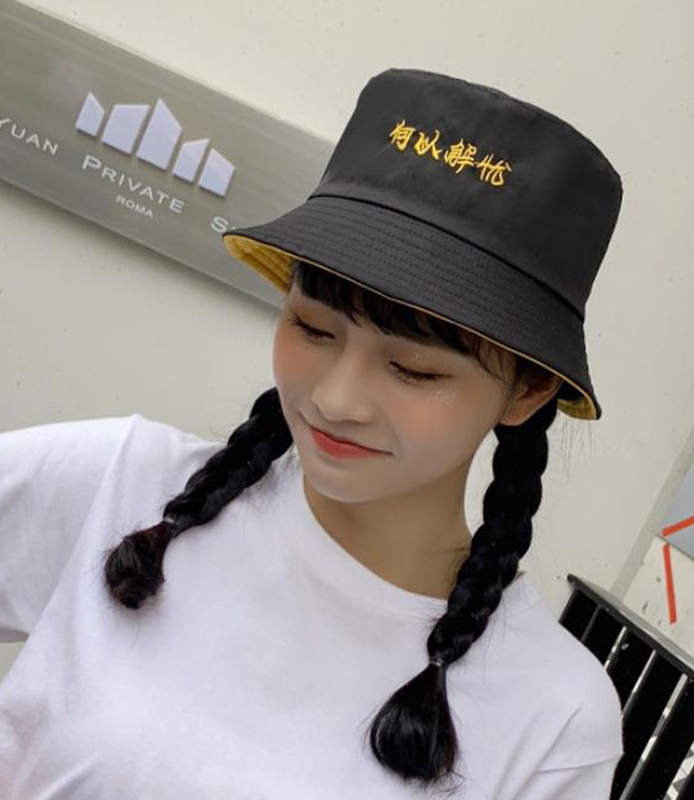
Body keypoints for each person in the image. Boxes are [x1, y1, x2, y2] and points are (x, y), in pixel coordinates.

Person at [0, 67, 625, 798]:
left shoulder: (554, 720)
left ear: (529, 389)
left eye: (414, 369)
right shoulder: (120, 482)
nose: (335, 399)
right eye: (313, 328)